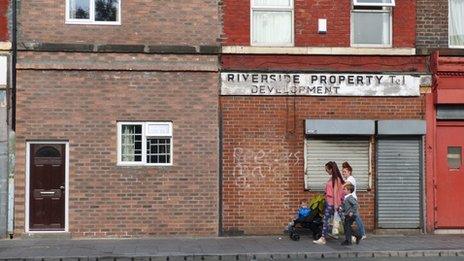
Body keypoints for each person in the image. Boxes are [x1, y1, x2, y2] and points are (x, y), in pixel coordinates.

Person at [313, 161, 345, 245]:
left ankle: (323, 238)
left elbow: (335, 192)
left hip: (333, 203)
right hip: (330, 202)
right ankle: (352, 236)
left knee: (329, 220)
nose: (326, 171)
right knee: (341, 220)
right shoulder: (332, 178)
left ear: (331, 169)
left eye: (326, 169)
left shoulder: (336, 179)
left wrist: (336, 205)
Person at [341, 161, 367, 239]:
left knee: (356, 217)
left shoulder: (351, 179)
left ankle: (362, 234)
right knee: (349, 217)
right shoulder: (347, 179)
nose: (343, 173)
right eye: (342, 172)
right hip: (348, 200)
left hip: (351, 200)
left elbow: (344, 186)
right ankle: (353, 233)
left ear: (349, 172)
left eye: (345, 172)